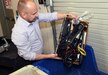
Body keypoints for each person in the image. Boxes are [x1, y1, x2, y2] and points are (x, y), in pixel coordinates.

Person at [11, 0, 78, 67]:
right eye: (34, 13)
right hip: (26, 62)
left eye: (37, 11)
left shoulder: (32, 17)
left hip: (38, 57)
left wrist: (67, 15)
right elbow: (28, 55)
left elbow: (50, 16)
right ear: (24, 14)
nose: (37, 15)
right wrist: (49, 56)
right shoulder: (18, 32)